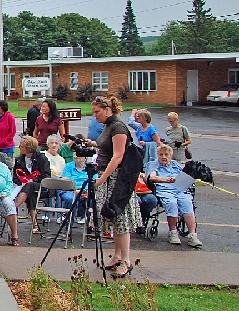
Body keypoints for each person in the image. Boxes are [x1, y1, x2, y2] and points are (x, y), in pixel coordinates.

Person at [86, 95, 141, 279]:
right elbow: (106, 146)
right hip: (107, 175)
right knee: (113, 219)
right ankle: (117, 255)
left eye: (97, 112)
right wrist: (93, 144)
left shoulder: (118, 126)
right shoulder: (109, 126)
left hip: (117, 179)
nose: (95, 116)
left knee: (120, 218)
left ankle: (126, 260)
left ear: (107, 109)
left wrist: (101, 180)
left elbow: (118, 156)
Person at [147, 144, 202, 247]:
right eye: (161, 154)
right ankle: (172, 232)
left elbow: (183, 175)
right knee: (171, 203)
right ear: (157, 155)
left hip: (179, 189)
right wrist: (166, 180)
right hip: (164, 189)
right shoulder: (153, 164)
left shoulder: (175, 164)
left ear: (170, 156)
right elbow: (152, 177)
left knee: (187, 203)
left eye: (166, 154)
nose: (163, 157)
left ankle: (193, 235)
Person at [12, 136, 51, 232]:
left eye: (22, 146)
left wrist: (33, 180)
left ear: (29, 148)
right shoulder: (19, 159)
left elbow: (46, 176)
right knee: (31, 195)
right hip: (24, 188)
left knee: (30, 186)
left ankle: (14, 208)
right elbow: (15, 176)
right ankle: (35, 224)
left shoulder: (42, 159)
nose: (19, 148)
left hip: (41, 187)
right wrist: (21, 182)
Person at [59, 153, 90, 226]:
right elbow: (65, 180)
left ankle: (90, 225)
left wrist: (86, 191)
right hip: (70, 190)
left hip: (85, 191)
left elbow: (94, 182)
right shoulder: (68, 166)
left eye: (79, 154)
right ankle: (69, 224)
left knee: (93, 200)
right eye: (75, 154)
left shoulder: (90, 168)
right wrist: (75, 191)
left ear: (85, 158)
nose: (76, 156)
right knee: (70, 199)